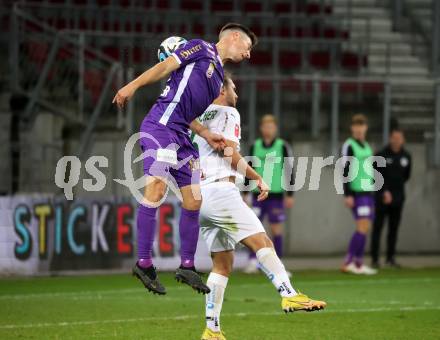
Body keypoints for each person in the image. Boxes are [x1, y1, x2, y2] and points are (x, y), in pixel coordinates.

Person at [113, 23, 258, 295]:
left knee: (194, 199)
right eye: (248, 48)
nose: (248, 54)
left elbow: (187, 110)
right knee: (155, 188)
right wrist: (130, 86)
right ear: (234, 37)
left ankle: (187, 266)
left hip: (182, 138)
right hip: (161, 128)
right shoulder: (201, 47)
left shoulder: (217, 79)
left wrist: (205, 132)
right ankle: (144, 263)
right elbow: (164, 67)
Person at [193, 74, 326, 340]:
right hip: (221, 191)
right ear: (222, 88)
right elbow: (229, 153)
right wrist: (256, 177)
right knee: (262, 240)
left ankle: (212, 329)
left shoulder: (198, 118)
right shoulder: (229, 112)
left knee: (222, 264)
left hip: (199, 196)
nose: (237, 94)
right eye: (234, 87)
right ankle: (289, 295)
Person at [244, 114, 295, 274]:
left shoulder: (282, 146)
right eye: (265, 126)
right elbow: (248, 168)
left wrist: (290, 194)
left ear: (275, 129)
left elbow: (289, 170)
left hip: (276, 194)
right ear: (261, 129)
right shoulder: (255, 145)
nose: (268, 129)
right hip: (257, 193)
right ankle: (253, 261)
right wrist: (245, 192)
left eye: (271, 127)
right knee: (254, 229)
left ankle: (277, 264)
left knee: (276, 229)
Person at [340, 114, 378, 275]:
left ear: (366, 128)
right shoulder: (349, 145)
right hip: (356, 192)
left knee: (365, 227)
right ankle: (348, 262)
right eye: (356, 125)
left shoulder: (367, 146)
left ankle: (358, 263)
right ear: (352, 128)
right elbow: (345, 169)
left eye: (362, 125)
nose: (359, 128)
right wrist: (347, 193)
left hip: (368, 192)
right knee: (362, 226)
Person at [371, 128, 411, 268]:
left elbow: (406, 176)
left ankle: (390, 258)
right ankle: (375, 259)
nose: (397, 140)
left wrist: (395, 193)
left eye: (399, 138)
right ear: (390, 138)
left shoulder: (406, 156)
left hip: (398, 198)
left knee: (393, 229)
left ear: (403, 139)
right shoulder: (381, 155)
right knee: (378, 228)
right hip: (382, 199)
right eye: (394, 137)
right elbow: (375, 177)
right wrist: (384, 192)